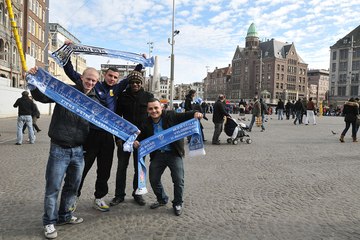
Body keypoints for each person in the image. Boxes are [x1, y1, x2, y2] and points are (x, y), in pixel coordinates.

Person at [63, 55, 143, 212]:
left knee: (104, 169)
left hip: (108, 136)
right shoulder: (93, 84)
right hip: (90, 134)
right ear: (104, 75)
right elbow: (71, 73)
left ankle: (99, 197)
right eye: (110, 76)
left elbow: (129, 78)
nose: (112, 79)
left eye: (115, 77)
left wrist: (141, 63)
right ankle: (74, 197)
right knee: (82, 168)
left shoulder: (117, 89)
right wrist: (67, 57)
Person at [28, 66, 99, 239]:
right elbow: (43, 96)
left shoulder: (95, 102)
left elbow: (102, 126)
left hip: (78, 150)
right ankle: (49, 222)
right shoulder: (66, 91)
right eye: (88, 78)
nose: (90, 82)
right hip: (59, 148)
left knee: (72, 187)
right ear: (81, 77)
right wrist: (34, 81)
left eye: (94, 80)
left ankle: (65, 216)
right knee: (53, 187)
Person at [133, 98, 203, 216]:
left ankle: (177, 203)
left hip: (174, 153)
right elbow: (141, 137)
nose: (154, 111)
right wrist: (137, 142)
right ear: (147, 110)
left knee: (178, 180)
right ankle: (162, 199)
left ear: (161, 108)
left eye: (156, 108)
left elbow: (186, 115)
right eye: (151, 109)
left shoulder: (171, 115)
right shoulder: (146, 122)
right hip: (158, 154)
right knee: (154, 179)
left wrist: (195, 113)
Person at [110, 70, 154, 207]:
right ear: (129, 83)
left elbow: (153, 117)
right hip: (124, 138)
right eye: (132, 82)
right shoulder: (122, 97)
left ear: (141, 83)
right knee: (121, 167)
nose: (135, 84)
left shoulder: (148, 96)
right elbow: (116, 119)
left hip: (141, 140)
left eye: (138, 82)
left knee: (139, 168)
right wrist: (117, 138)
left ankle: (138, 194)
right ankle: (119, 195)